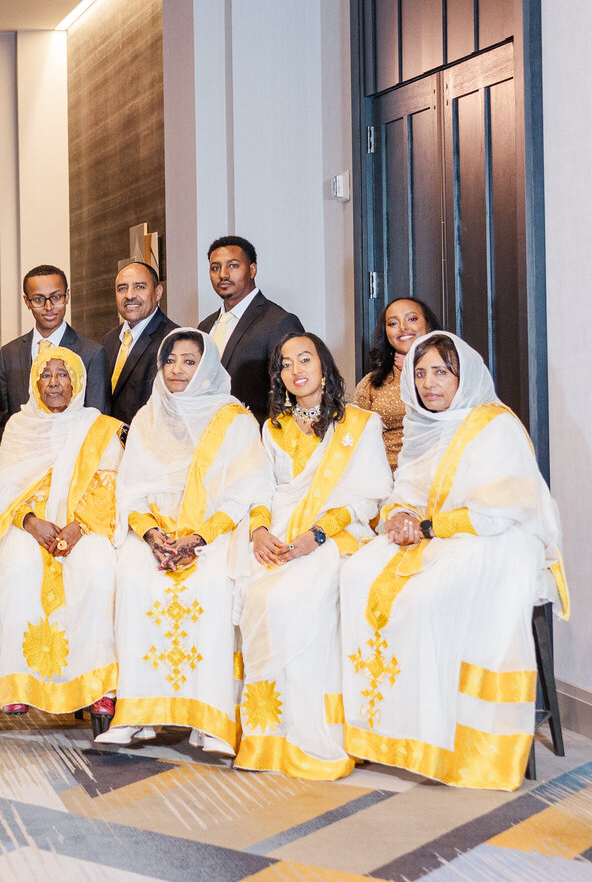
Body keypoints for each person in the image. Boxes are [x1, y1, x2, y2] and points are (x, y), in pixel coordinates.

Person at [340, 332, 567, 791]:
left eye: (441, 372)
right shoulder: (424, 426)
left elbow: (498, 510)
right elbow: (404, 490)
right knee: (355, 576)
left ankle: (446, 735)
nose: (429, 384)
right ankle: (387, 729)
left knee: (426, 596)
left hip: (496, 540)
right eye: (420, 373)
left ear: (464, 376)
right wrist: (399, 516)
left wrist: (424, 528)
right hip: (434, 534)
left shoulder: (495, 424)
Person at [98, 328, 269, 758]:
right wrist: (152, 534)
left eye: (189, 361)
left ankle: (209, 718)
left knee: (210, 586)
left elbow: (247, 492)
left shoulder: (236, 421)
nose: (177, 370)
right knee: (134, 580)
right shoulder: (146, 417)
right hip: (155, 532)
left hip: (212, 535)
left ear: (207, 367)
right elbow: (130, 489)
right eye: (170, 360)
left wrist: (198, 537)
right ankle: (138, 716)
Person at [232, 334, 391, 780]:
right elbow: (260, 489)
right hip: (280, 532)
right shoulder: (273, 427)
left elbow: (370, 499)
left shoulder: (360, 424)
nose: (296, 369)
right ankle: (271, 735)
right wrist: (260, 530)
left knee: (292, 597)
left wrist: (317, 535)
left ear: (324, 366)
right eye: (285, 363)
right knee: (255, 593)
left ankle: (313, 731)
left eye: (305, 359)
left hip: (337, 535)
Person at [0, 345, 122, 719]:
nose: (54, 382)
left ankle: (98, 685)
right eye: (46, 374)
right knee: (20, 566)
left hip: (83, 526)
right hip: (30, 524)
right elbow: (1, 488)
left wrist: (79, 526)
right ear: (35, 381)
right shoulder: (20, 426)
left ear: (79, 381)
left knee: (99, 570)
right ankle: (20, 682)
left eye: (63, 374)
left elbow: (110, 486)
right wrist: (30, 522)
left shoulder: (98, 426)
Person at [0, 264, 108, 471]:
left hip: (70, 471)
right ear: (27, 301)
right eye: (38, 299)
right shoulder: (10, 353)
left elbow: (96, 427)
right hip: (20, 471)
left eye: (56, 297)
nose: (49, 307)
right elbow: (1, 427)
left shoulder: (92, 353)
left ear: (67, 296)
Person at [197, 236, 304, 420]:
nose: (223, 274)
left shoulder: (279, 322)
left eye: (233, 266)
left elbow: (290, 394)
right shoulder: (205, 326)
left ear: (252, 270)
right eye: (215, 268)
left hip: (255, 439)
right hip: (207, 439)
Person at [353, 296, 440, 471]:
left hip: (433, 474)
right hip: (382, 480)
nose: (403, 327)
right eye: (393, 323)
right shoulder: (370, 383)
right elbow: (356, 439)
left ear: (428, 325)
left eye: (412, 319)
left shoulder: (450, 374)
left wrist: (416, 368)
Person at [100, 261, 178, 431]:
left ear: (158, 292)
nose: (129, 295)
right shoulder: (109, 340)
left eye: (139, 287)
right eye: (122, 288)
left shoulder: (174, 340)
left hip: (147, 446)